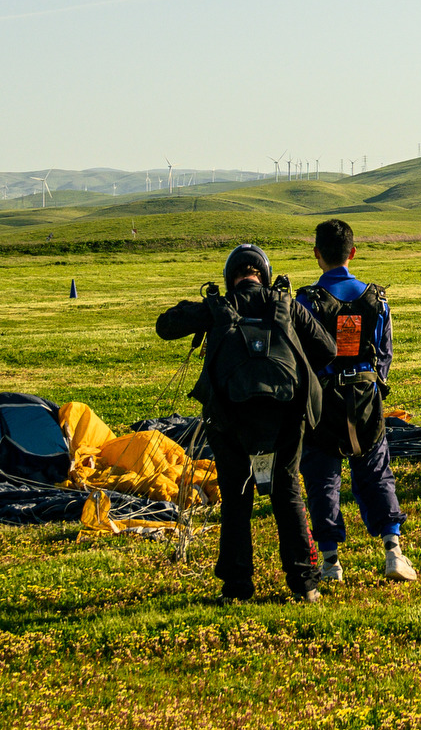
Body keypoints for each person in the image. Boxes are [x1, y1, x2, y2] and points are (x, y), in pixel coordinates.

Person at [156, 243, 335, 603]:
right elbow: (327, 348)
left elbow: (165, 327)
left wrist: (204, 307)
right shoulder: (285, 305)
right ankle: (305, 585)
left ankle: (237, 588)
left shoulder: (220, 307)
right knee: (287, 493)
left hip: (230, 419)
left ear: (231, 276)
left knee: (236, 500)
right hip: (285, 416)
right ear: (264, 274)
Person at [296, 219, 418, 584]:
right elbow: (386, 354)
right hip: (366, 398)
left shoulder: (305, 301)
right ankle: (393, 551)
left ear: (317, 255)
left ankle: (331, 561)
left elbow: (299, 358)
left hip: (322, 402)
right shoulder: (378, 300)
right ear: (352, 252)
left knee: (322, 478)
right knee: (376, 471)